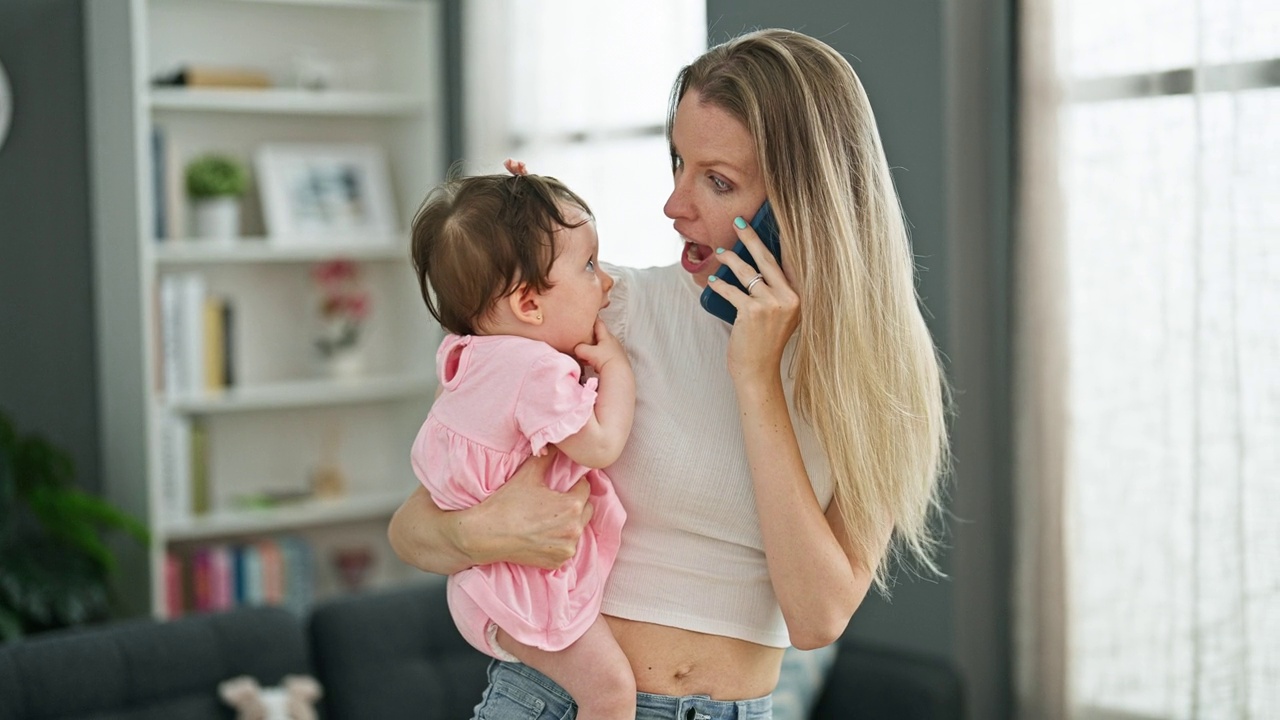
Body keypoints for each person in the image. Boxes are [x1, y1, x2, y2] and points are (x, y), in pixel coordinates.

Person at [390, 28, 950, 720]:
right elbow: (412, 526)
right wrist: (478, 533)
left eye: (717, 180)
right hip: (553, 702)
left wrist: (755, 376)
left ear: (806, 201)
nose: (674, 205)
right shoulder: (604, 315)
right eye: (679, 162)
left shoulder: (876, 375)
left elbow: (818, 617)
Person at [408, 173, 637, 719]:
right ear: (529, 304)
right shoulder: (535, 370)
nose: (606, 283)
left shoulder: (469, 355)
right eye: (589, 266)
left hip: (480, 586)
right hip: (517, 591)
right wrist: (616, 369)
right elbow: (601, 444)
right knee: (611, 693)